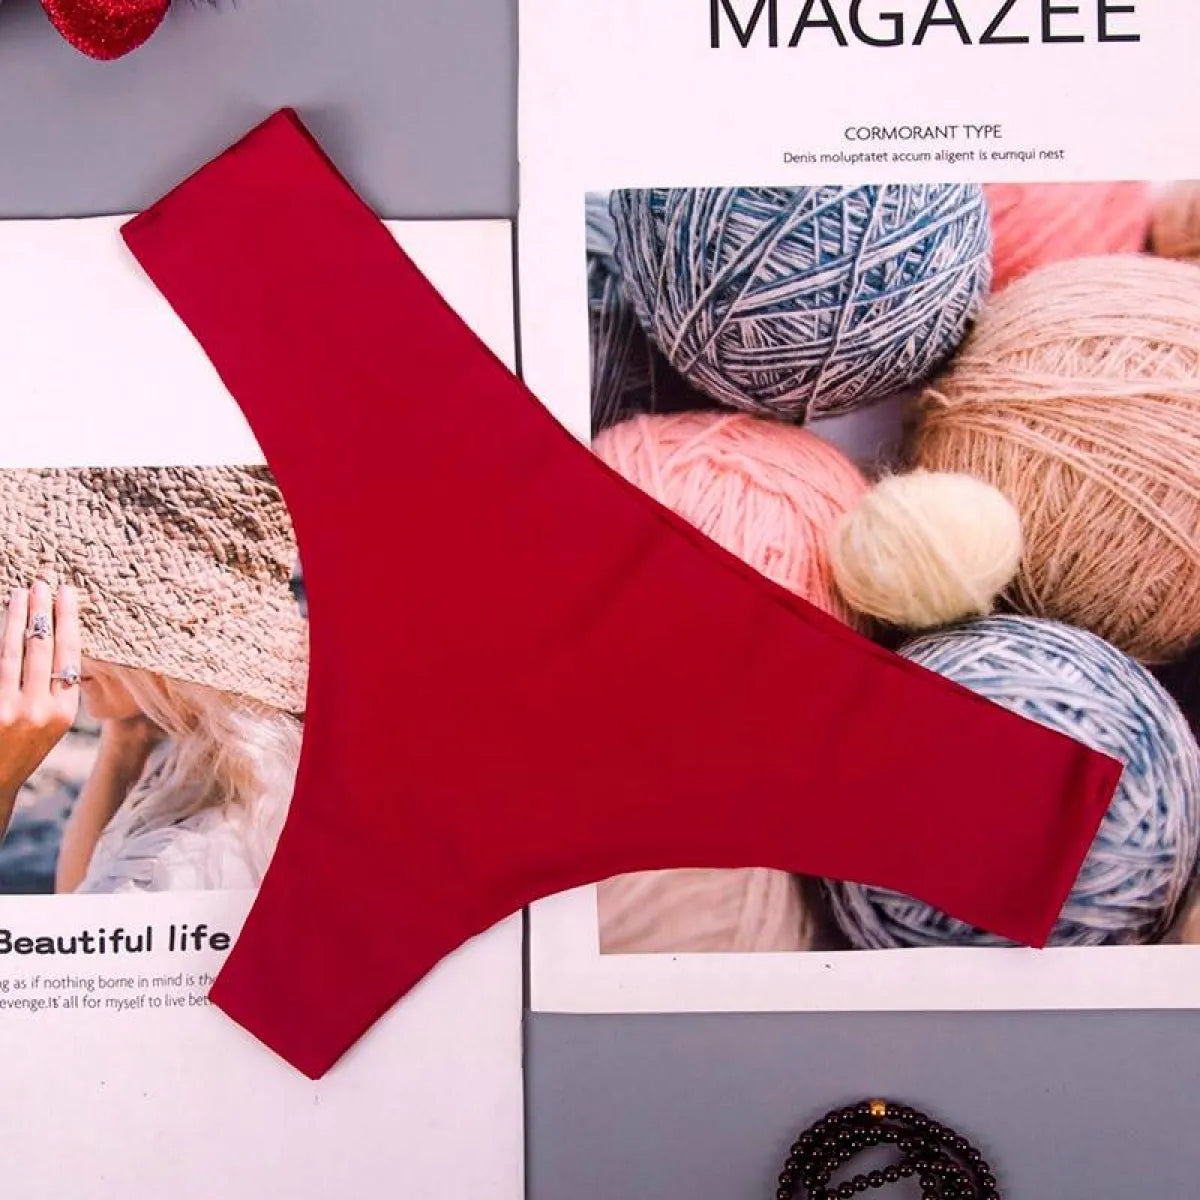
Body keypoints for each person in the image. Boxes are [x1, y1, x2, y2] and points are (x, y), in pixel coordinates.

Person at [0, 466, 308, 893]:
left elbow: (79, 927)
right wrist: (124, 741)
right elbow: (76, 897)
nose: (55, 643)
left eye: (77, 617)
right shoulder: (209, 761)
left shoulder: (176, 869)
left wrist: (4, 777)